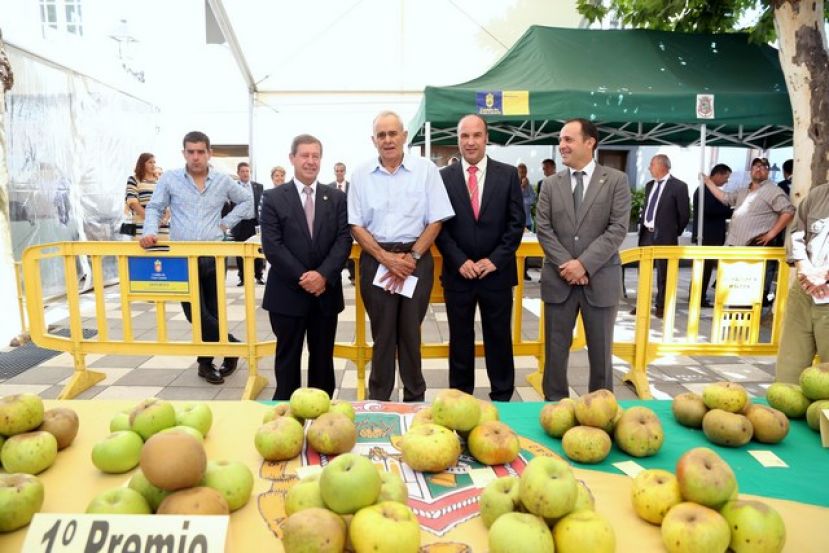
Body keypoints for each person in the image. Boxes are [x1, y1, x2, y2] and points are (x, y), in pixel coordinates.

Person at [349, 111, 454, 401]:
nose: (388, 140)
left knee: (411, 333)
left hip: (415, 261)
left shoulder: (426, 170)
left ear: (404, 136)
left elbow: (437, 219)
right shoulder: (360, 175)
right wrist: (386, 258)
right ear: (373, 140)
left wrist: (412, 256)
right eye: (381, 135)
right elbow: (355, 225)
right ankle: (378, 401)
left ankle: (415, 398)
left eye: (393, 133)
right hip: (376, 260)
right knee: (382, 335)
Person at [140, 131, 253, 385]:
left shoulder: (222, 180)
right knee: (196, 314)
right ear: (184, 153)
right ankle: (233, 346)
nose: (195, 157)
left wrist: (225, 223)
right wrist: (149, 232)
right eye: (190, 151)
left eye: (200, 151)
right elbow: (155, 207)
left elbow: (247, 201)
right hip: (182, 258)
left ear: (209, 153)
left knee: (213, 311)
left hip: (214, 256)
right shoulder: (170, 178)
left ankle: (205, 363)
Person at [535, 118, 631, 401]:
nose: (562, 146)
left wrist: (583, 264)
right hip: (559, 280)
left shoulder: (616, 181)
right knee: (555, 354)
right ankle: (555, 407)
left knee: (601, 354)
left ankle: (600, 410)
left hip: (600, 280)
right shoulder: (550, 184)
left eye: (568, 139)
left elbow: (617, 229)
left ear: (590, 143)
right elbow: (543, 229)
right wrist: (568, 265)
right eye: (561, 140)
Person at [435, 114, 524, 401]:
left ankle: (503, 398)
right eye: (464, 136)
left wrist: (494, 260)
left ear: (486, 138)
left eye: (476, 135)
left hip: (496, 274)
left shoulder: (508, 174)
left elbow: (516, 224)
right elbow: (438, 226)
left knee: (499, 338)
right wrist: (459, 260)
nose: (470, 142)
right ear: (458, 139)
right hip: (458, 274)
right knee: (460, 340)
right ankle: (460, 399)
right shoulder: (442, 178)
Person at [260, 135, 351, 399]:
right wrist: (305, 277)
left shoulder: (336, 198)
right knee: (287, 359)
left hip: (325, 294)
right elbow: (272, 246)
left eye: (315, 156)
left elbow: (343, 239)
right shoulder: (273, 197)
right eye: (305, 155)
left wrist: (323, 275)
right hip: (287, 294)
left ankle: (321, 412)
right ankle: (286, 412)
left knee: (322, 360)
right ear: (292, 158)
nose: (310, 161)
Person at [703, 157, 795, 304]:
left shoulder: (773, 190)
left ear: (768, 171)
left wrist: (771, 234)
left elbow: (788, 211)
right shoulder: (743, 190)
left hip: (753, 247)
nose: (759, 169)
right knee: (731, 289)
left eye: (764, 167)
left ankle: (743, 316)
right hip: (734, 245)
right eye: (756, 166)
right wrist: (708, 182)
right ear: (751, 170)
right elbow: (725, 198)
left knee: (746, 291)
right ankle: (731, 316)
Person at [776, 182, 829, 383]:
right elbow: (797, 233)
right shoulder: (818, 194)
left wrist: (825, 274)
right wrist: (803, 267)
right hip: (804, 291)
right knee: (788, 374)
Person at [632, 154, 690, 318]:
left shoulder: (679, 186)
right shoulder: (649, 185)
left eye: (652, 164)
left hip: (666, 236)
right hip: (647, 234)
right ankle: (642, 304)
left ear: (662, 166)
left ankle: (661, 305)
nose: (649, 168)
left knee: (664, 273)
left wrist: (673, 232)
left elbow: (684, 214)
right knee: (643, 272)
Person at [691, 163, 733, 307]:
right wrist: (729, 210)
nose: (726, 181)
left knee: (705, 268)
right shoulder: (705, 190)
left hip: (710, 235)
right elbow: (711, 210)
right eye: (726, 177)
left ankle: (698, 295)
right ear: (718, 174)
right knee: (704, 269)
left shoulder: (707, 189)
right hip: (707, 235)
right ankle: (698, 297)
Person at [227, 161, 265, 286]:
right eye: (242, 171)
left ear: (250, 172)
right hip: (240, 224)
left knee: (257, 250)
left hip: (254, 223)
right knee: (240, 251)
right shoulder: (232, 187)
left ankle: (259, 276)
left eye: (247, 171)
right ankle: (242, 277)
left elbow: (262, 205)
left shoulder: (258, 187)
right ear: (238, 173)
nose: (245, 173)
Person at [125, 153, 168, 237]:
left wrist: (165, 219)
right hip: (142, 226)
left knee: (163, 246)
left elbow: (168, 204)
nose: (153, 165)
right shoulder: (134, 180)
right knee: (143, 245)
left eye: (154, 162)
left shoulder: (161, 181)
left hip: (162, 228)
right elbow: (133, 203)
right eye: (150, 162)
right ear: (142, 164)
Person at [330, 162, 355, 282]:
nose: (339, 173)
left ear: (344, 172)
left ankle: (353, 275)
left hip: (349, 221)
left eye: (341, 171)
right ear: (334, 172)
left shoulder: (352, 186)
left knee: (350, 248)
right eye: (337, 171)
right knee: (336, 249)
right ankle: (334, 275)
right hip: (333, 224)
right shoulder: (329, 187)